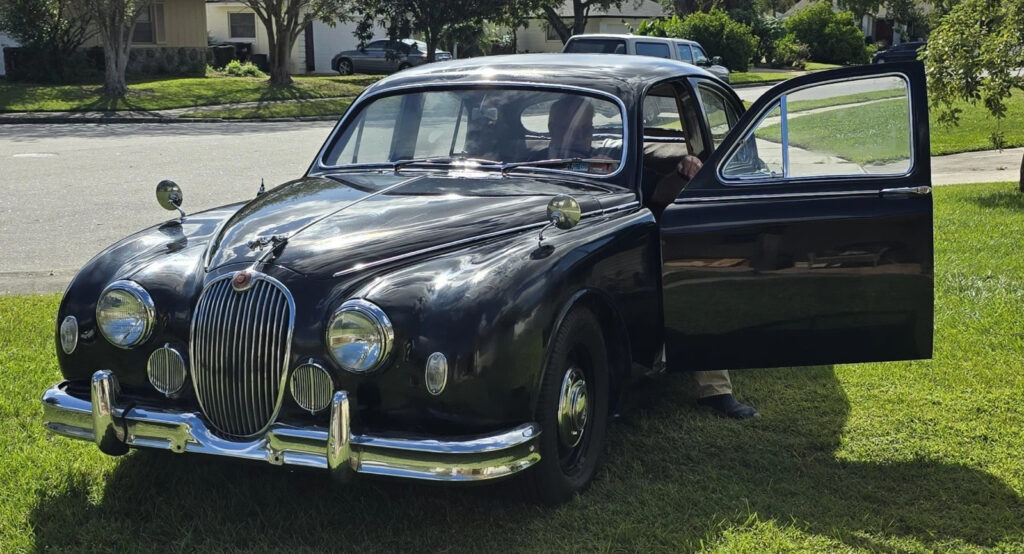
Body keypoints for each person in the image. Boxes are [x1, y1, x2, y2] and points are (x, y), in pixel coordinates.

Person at [549, 96, 759, 420]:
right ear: (553, 127)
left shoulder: (611, 163)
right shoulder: (529, 164)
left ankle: (715, 389)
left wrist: (684, 170)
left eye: (586, 127)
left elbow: (659, 191)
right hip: (554, 254)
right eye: (572, 127)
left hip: (614, 254)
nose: (581, 135)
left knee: (688, 277)